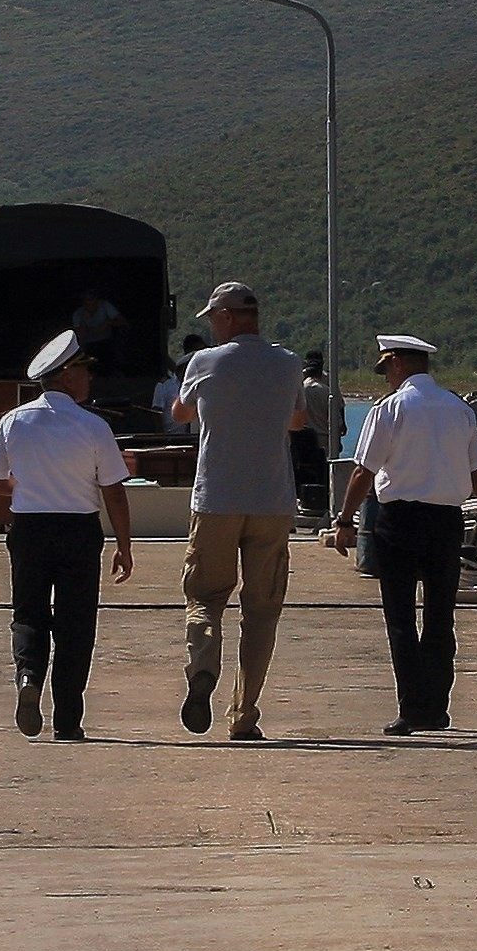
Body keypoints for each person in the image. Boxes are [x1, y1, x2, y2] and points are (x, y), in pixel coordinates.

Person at [328, 334, 477, 735]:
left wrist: (344, 520)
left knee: (401, 617)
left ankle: (412, 708)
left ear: (398, 363)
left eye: (386, 368)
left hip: (399, 520)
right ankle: (437, 708)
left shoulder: (390, 409)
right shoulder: (460, 409)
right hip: (446, 522)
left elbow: (363, 471)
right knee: (441, 617)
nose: (386, 377)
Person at [0, 329, 135, 741]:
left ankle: (29, 677)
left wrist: (19, 487)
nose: (89, 379)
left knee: (29, 613)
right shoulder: (93, 426)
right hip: (78, 530)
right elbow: (113, 491)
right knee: (76, 624)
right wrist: (124, 544)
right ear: (65, 376)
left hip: (30, 528)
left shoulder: (14, 420)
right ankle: (68, 719)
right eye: (83, 371)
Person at [171, 280, 307, 743]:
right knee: (263, 609)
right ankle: (244, 714)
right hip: (272, 501)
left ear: (226, 316)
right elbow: (298, 420)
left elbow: (181, 413)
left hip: (217, 498)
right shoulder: (288, 364)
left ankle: (204, 669)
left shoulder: (204, 362)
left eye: (212, 319)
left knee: (205, 596)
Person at [292, 349, 340, 526]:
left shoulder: (299, 388)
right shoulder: (327, 390)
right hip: (322, 441)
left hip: (300, 441)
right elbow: (338, 421)